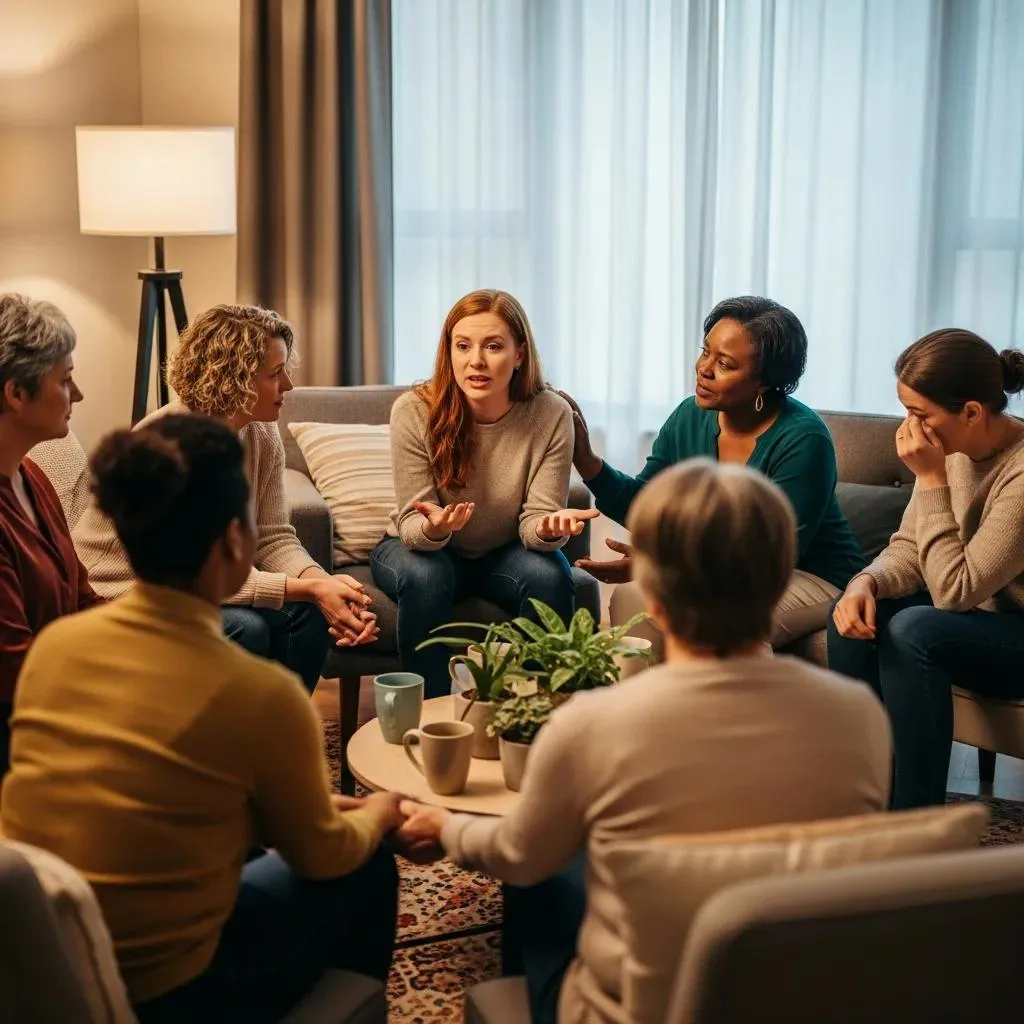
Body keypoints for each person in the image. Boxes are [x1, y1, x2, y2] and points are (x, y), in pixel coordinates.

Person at [398, 459, 891, 1024]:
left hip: (630, 1008)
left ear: (650, 597)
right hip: (789, 997)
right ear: (782, 579)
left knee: (540, 877)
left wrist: (442, 826)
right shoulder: (860, 717)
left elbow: (518, 854)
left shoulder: (591, 723)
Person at [0, 414, 416, 1022]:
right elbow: (322, 855)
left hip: (54, 959)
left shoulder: (55, 651)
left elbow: (176, 799)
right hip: (177, 991)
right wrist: (381, 813)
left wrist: (314, 815)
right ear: (233, 542)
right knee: (369, 866)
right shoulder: (260, 693)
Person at [71, 304, 377, 693]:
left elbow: (273, 537)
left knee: (307, 618)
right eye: (275, 373)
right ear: (234, 379)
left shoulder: (260, 433)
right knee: (245, 628)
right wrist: (315, 589)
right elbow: (192, 572)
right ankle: (228, 743)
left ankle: (274, 735)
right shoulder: (170, 446)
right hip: (128, 590)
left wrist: (323, 583)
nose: (289, 386)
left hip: (201, 585)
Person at [562, 295, 866, 654]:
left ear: (764, 382)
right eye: (705, 352)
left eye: (724, 363)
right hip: (722, 570)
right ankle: (649, 708)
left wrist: (663, 564)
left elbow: (773, 554)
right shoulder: (690, 415)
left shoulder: (803, 438)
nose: (703, 368)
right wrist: (587, 462)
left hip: (807, 574)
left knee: (715, 617)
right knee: (633, 596)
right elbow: (645, 503)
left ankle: (728, 711)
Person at [828, 328, 1024, 810]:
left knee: (914, 628)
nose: (909, 429)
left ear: (972, 413)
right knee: (856, 613)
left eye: (919, 414)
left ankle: (914, 817)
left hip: (1016, 633)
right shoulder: (952, 451)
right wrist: (865, 581)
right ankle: (867, 796)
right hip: (981, 617)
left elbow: (957, 591)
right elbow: (911, 547)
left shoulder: (1017, 474)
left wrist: (933, 478)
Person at [371, 289, 593, 698]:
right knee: (427, 573)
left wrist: (548, 527)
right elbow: (412, 525)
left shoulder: (550, 413)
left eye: (493, 346)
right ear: (449, 352)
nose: (476, 361)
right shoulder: (414, 409)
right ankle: (432, 716)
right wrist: (437, 529)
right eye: (463, 346)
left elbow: (534, 523)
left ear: (520, 354)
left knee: (551, 574)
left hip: (502, 551)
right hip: (419, 547)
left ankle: (533, 713)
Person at [0, 293, 102, 771]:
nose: (77, 395)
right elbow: (13, 665)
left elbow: (82, 597)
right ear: (15, 394)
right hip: (26, 735)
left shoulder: (33, 478)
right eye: (65, 380)